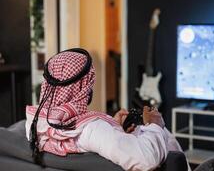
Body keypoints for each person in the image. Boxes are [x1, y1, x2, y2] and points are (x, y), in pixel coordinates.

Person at [25, 48, 185, 171]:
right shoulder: (90, 130)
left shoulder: (35, 125)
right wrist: (155, 125)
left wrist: (114, 126)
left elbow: (98, 141)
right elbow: (146, 160)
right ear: (82, 87)